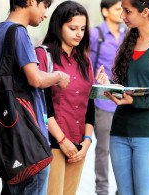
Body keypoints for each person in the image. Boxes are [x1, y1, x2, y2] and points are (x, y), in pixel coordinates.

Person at [0, 0, 70, 194]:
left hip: (8, 137)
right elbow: (35, 78)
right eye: (44, 6)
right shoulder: (19, 33)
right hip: (28, 141)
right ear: (31, 1)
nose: (45, 14)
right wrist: (58, 76)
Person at [36, 1, 98, 194]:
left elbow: (90, 103)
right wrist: (62, 140)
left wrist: (87, 141)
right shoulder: (44, 55)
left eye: (82, 28)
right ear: (59, 25)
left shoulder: (85, 61)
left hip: (79, 143)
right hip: (53, 141)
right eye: (72, 28)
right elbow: (43, 105)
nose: (79, 33)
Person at [104, 0, 149, 194]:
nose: (122, 16)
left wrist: (134, 100)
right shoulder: (128, 41)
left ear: (145, 12)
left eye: (127, 11)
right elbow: (124, 85)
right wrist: (108, 86)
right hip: (120, 131)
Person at [89, 1, 125, 194]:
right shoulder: (96, 35)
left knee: (122, 150)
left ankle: (123, 189)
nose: (121, 13)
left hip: (124, 102)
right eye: (117, 9)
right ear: (105, 11)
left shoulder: (128, 35)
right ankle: (101, 190)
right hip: (102, 103)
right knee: (104, 150)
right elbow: (84, 61)